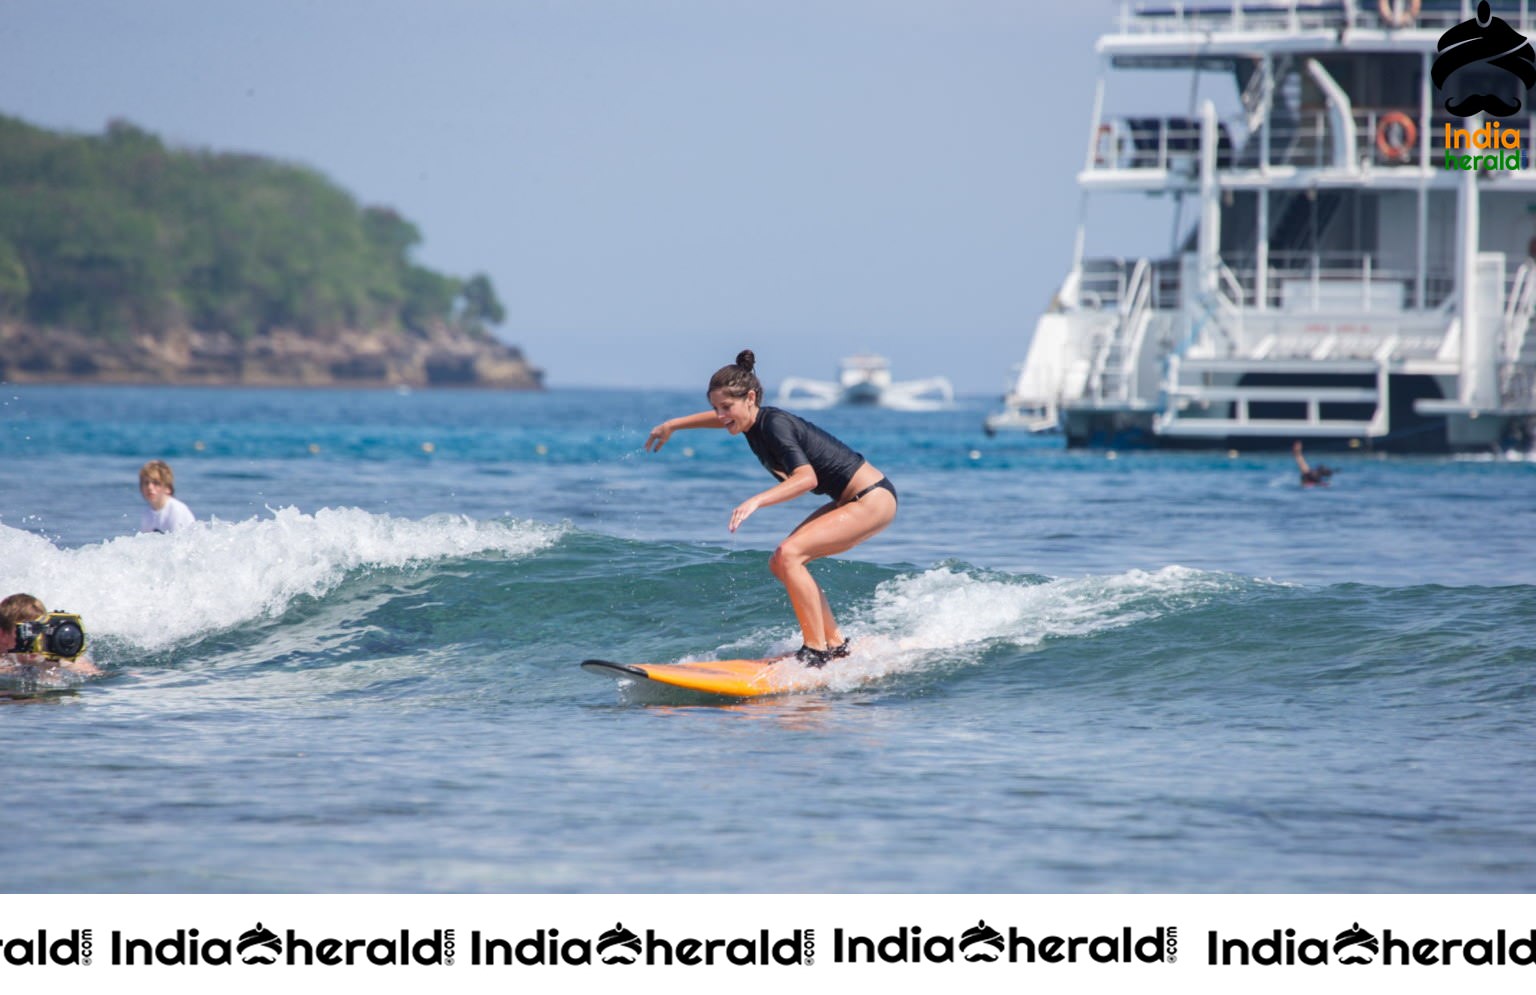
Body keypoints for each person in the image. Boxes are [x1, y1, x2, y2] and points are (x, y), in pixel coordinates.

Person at [645, 349, 898, 667]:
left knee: (790, 554)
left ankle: (816, 651)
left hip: (871, 498)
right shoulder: (750, 424)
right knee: (781, 562)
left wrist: (756, 500)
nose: (721, 415)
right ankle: (835, 645)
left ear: (750, 398)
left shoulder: (774, 424)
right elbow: (719, 418)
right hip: (852, 499)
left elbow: (806, 478)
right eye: (715, 407)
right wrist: (673, 425)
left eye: (727, 407)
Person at [0, 593, 100, 678]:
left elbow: (98, 680)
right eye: (27, 631)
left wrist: (51, 668)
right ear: (2, 634)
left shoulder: (59, 657)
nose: (37, 638)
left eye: (41, 629)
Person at [138, 459, 195, 533]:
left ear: (167, 488)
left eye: (156, 483)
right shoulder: (147, 513)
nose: (150, 487)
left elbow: (180, 542)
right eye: (146, 483)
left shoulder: (176, 510)